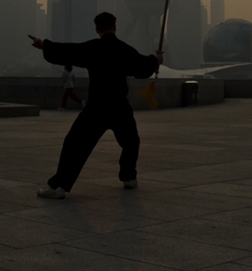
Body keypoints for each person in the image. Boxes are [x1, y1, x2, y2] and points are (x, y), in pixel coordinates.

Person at [28, 11, 161, 199]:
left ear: (97, 29)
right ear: (115, 27)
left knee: (74, 144)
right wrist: (155, 60)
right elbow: (142, 68)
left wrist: (44, 45)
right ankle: (129, 176)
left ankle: (60, 186)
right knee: (131, 142)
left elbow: (69, 51)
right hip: (119, 106)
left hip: (97, 106)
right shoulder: (124, 49)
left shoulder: (93, 48)